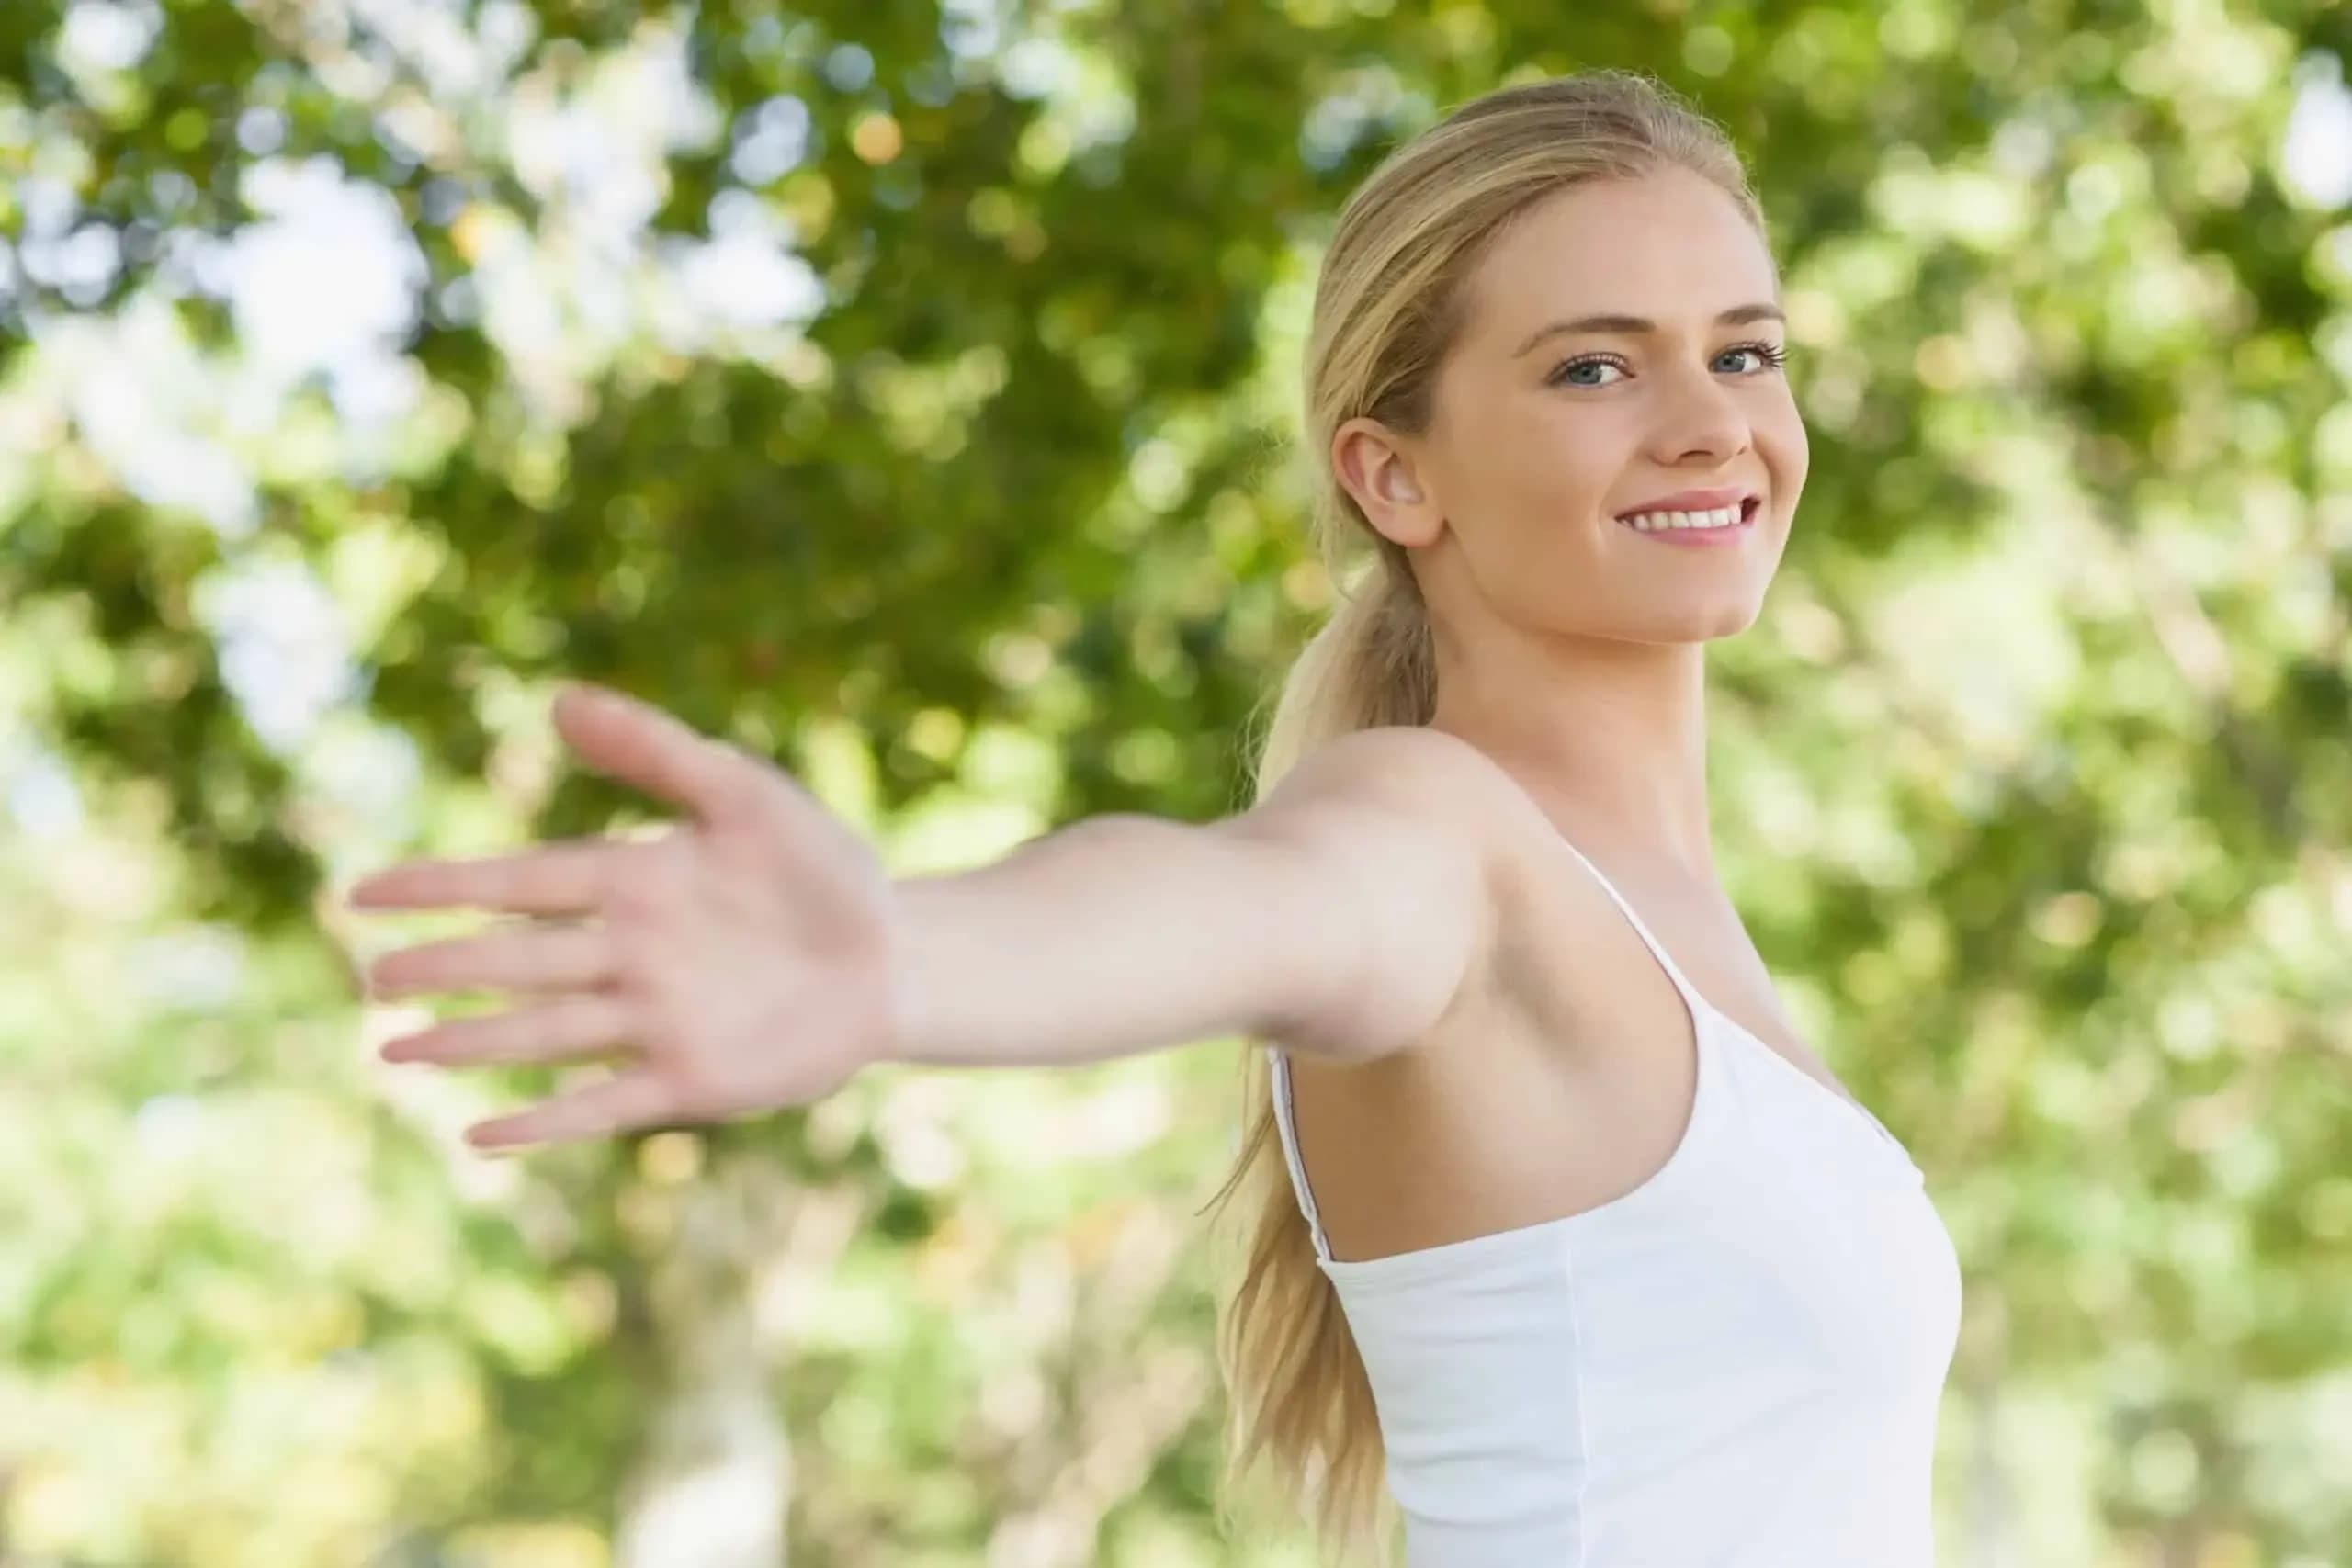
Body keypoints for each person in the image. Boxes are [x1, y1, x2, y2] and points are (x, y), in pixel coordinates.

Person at [345, 68, 1961, 1568]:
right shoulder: (1432, 833)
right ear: (1396, 478)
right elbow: (1230, 900)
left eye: (1743, 349)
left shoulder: (1665, 912)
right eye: (1595, 366)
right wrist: (902, 957)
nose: (1708, 420)